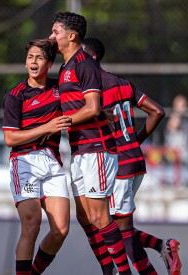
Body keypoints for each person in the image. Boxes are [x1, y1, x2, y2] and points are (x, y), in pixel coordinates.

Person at [82, 36, 182, 275]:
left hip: (119, 164)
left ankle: (155, 258)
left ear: (91, 58)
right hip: (133, 159)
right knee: (107, 224)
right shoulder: (121, 83)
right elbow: (157, 111)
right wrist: (134, 142)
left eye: (80, 57)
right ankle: (161, 246)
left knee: (121, 230)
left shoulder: (93, 89)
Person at [49, 12, 131, 275]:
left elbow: (93, 107)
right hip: (80, 151)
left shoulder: (84, 63)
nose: (52, 36)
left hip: (97, 149)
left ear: (71, 36)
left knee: (98, 216)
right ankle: (109, 269)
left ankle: (122, 271)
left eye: (56, 31)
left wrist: (63, 121)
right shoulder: (65, 67)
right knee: (85, 218)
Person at [3, 38, 72, 275]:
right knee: (31, 225)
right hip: (24, 162)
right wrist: (46, 128)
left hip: (52, 162)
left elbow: (79, 105)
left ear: (50, 63)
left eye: (39, 57)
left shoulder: (58, 90)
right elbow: (11, 139)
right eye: (30, 57)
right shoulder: (15, 96)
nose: (33, 61)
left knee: (61, 229)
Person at [165, 94, 188, 166]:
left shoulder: (184, 119)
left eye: (184, 105)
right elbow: (173, 126)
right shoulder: (174, 117)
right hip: (173, 154)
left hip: (184, 153)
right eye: (182, 106)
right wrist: (178, 111)